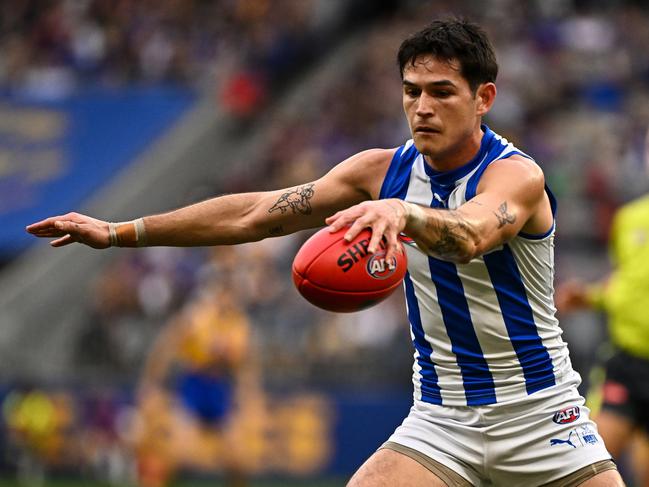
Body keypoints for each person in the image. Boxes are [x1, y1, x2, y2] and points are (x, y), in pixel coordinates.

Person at [27, 18, 624, 486]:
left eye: (442, 92)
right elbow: (255, 213)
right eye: (411, 92)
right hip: (443, 416)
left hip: (541, 412)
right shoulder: (377, 171)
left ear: (484, 96)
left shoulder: (516, 175)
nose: (422, 107)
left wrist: (405, 213)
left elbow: (470, 236)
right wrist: (121, 232)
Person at [556, 193, 649, 486]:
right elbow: (625, 283)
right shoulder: (630, 217)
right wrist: (590, 296)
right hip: (628, 362)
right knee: (588, 462)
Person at [134, 280, 258, 487]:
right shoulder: (195, 318)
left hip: (219, 387)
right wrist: (151, 384)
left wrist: (248, 392)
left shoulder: (238, 323)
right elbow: (164, 349)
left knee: (238, 457)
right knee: (180, 452)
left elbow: (244, 364)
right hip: (194, 384)